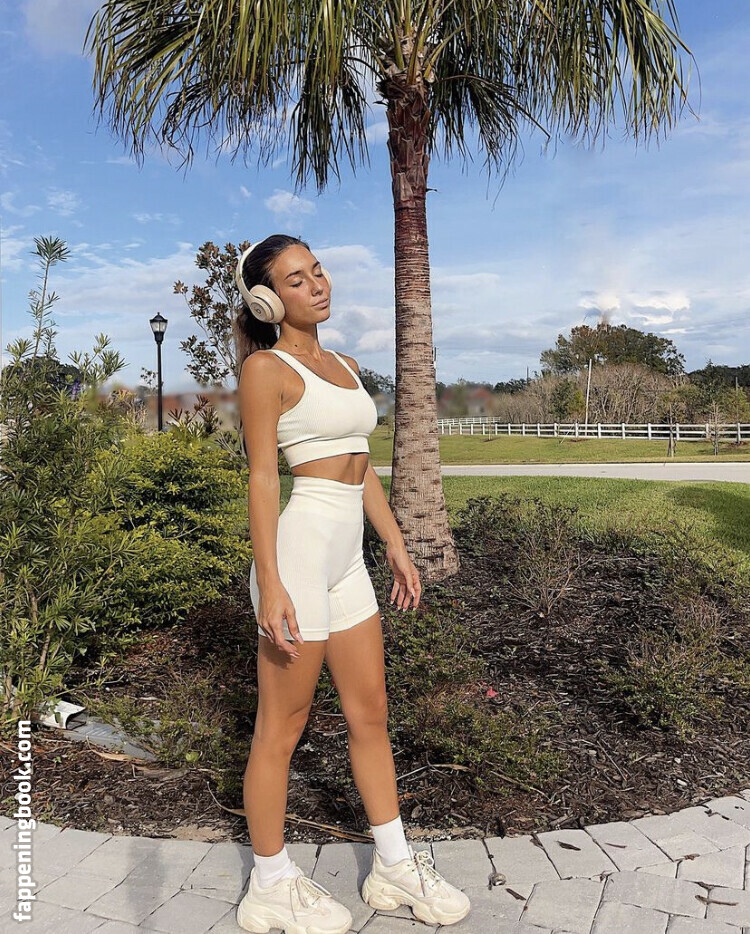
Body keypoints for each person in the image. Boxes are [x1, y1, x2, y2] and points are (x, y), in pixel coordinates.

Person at [233, 234, 471, 933]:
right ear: (267, 300)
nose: (318, 284)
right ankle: (269, 884)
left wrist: (393, 542)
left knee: (370, 713)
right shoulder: (265, 370)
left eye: (318, 271)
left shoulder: (345, 365)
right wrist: (272, 584)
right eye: (296, 279)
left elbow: (359, 463)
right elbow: (263, 479)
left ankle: (393, 866)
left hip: (346, 562)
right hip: (298, 559)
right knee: (282, 727)